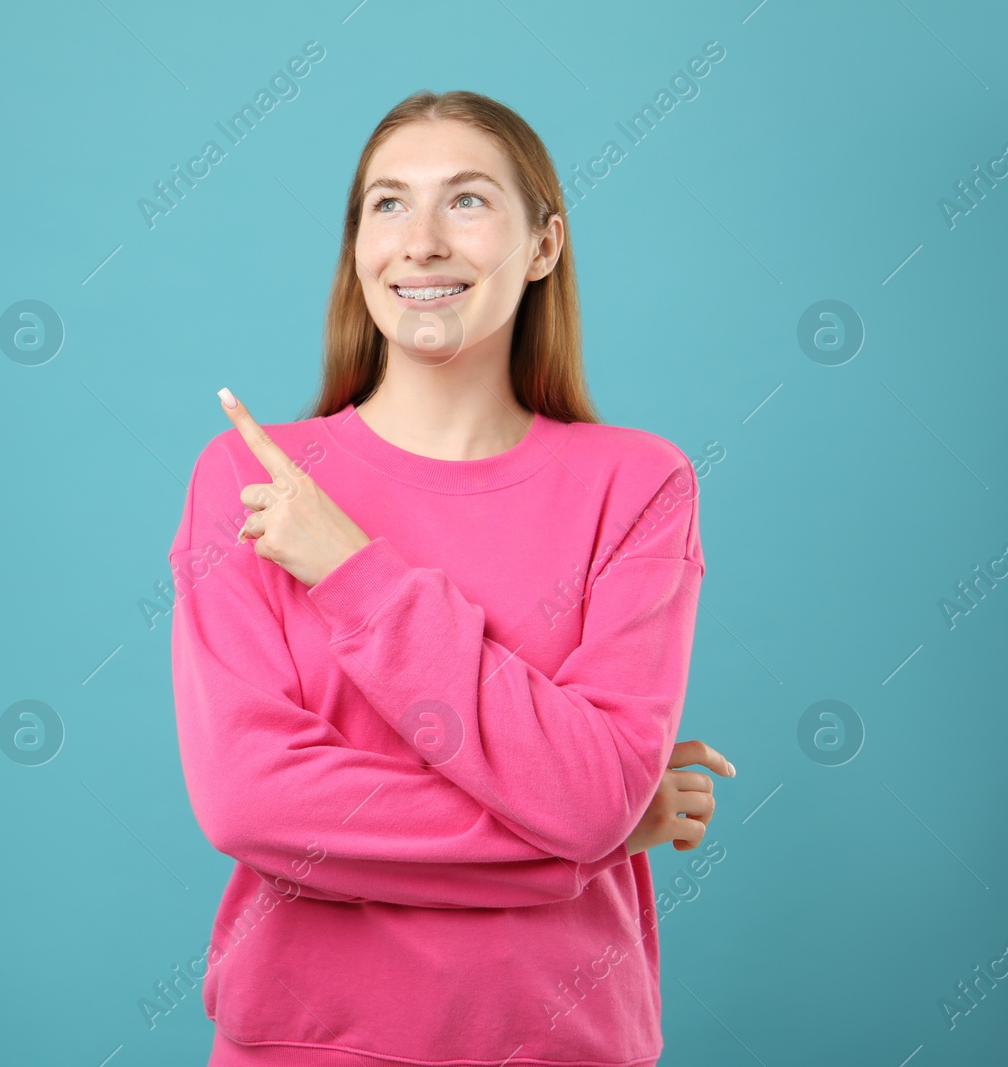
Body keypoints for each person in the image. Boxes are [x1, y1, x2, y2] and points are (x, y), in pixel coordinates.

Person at [167, 90, 734, 1067]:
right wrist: (582, 833)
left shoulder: (639, 484)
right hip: (303, 1045)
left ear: (544, 245)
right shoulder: (252, 482)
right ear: (357, 249)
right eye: (387, 204)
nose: (420, 240)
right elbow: (251, 802)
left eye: (466, 201)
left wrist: (353, 572)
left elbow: (597, 790)